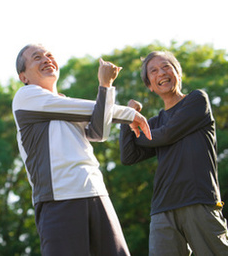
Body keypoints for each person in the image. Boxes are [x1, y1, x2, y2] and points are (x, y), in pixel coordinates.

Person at [12, 44, 152, 256]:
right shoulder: (26, 97)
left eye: (49, 55)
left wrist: (107, 88)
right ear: (23, 77)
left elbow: (99, 132)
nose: (46, 59)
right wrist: (127, 113)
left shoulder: (66, 103)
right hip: (59, 200)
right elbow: (91, 110)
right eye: (37, 57)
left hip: (97, 191)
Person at [119, 51, 228, 255]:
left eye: (166, 66)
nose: (162, 72)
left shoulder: (197, 101)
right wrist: (128, 118)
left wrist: (138, 131)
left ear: (178, 73)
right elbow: (129, 156)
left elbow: (166, 135)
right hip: (162, 208)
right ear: (150, 86)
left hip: (198, 201)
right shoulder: (154, 123)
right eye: (154, 71)